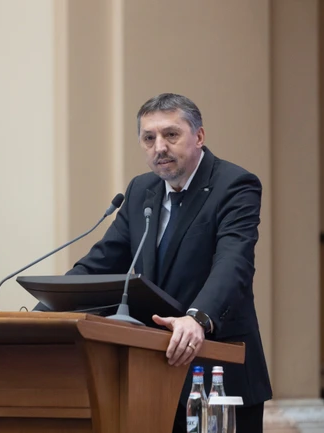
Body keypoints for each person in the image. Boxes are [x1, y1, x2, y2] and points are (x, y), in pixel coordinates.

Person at [65, 93, 272, 432]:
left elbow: (233, 262)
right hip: (148, 378)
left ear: (199, 136)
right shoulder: (140, 191)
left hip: (215, 375)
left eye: (171, 135)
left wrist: (198, 318)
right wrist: (48, 309)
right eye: (149, 138)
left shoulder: (234, 185)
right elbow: (101, 262)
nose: (159, 147)